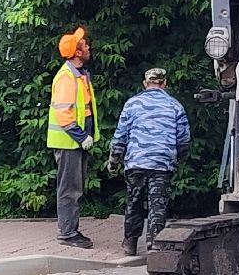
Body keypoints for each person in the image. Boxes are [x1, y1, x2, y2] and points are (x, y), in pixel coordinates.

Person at [108, 67, 191, 255]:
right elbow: (184, 139)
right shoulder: (175, 106)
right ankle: (154, 245)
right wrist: (181, 158)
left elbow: (120, 135)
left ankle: (130, 243)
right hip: (162, 163)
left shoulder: (132, 104)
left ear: (145, 84)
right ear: (165, 83)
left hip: (136, 162)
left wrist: (114, 159)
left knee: (134, 201)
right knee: (157, 204)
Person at [47, 27, 99, 249]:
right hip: (69, 142)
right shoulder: (67, 77)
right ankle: (67, 233)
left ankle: (71, 230)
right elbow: (64, 113)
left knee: (73, 188)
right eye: (84, 45)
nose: (88, 47)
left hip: (75, 142)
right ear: (77, 53)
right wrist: (81, 136)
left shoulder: (78, 76)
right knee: (69, 189)